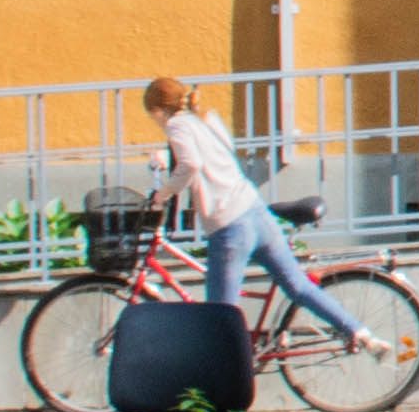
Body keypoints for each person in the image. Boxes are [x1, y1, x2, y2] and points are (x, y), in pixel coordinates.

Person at [148, 74, 374, 357]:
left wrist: (162, 194)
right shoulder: (203, 119)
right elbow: (215, 153)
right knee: (298, 286)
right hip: (254, 211)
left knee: (219, 316)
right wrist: (167, 156)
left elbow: (191, 163)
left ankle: (226, 389)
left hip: (229, 225)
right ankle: (359, 331)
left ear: (156, 111)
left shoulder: (176, 124)